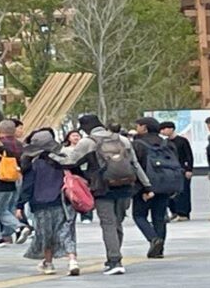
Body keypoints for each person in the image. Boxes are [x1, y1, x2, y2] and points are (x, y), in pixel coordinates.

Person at [55, 114, 147, 275]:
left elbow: (70, 162)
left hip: (102, 188)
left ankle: (114, 260)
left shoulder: (88, 142)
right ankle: (114, 255)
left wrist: (52, 156)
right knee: (117, 222)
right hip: (125, 185)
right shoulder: (122, 140)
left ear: (85, 128)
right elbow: (135, 164)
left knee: (108, 223)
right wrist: (147, 185)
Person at [16, 128, 79, 277]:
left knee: (46, 234)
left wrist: (19, 205)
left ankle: (49, 263)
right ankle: (72, 261)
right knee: (66, 232)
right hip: (64, 202)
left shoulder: (33, 164)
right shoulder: (63, 160)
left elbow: (28, 186)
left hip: (41, 204)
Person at [131, 117, 177, 259]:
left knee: (139, 215)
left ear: (144, 127)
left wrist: (144, 188)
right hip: (164, 185)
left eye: (138, 126)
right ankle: (160, 249)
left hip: (144, 186)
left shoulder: (137, 144)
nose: (137, 128)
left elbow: (135, 166)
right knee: (159, 217)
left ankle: (153, 239)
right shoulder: (166, 143)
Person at [160, 122, 194, 222]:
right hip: (169, 171)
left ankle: (184, 213)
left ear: (171, 129)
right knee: (170, 192)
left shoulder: (182, 141)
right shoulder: (164, 142)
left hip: (182, 169)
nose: (162, 131)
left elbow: (189, 156)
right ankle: (174, 211)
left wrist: (189, 169)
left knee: (183, 192)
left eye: (164, 129)